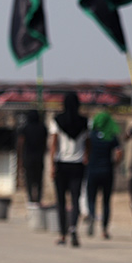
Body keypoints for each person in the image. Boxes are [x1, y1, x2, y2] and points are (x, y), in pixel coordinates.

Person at [49, 92, 90, 247]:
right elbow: (88, 143)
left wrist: (52, 164)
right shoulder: (85, 122)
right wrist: (86, 156)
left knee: (60, 200)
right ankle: (73, 228)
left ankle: (62, 234)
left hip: (61, 164)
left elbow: (54, 144)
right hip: (78, 164)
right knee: (75, 199)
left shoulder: (57, 121)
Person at [85, 110, 121, 240]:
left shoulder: (91, 135)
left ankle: (91, 217)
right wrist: (114, 163)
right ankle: (104, 229)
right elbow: (119, 153)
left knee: (91, 199)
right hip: (107, 171)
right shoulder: (111, 136)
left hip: (92, 171)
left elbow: (86, 151)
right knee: (106, 201)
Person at [18, 110, 48, 204]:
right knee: (39, 180)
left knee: (29, 179)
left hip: (28, 157)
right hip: (39, 158)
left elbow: (21, 143)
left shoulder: (25, 128)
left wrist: (20, 158)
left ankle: (30, 199)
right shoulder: (43, 128)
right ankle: (38, 199)